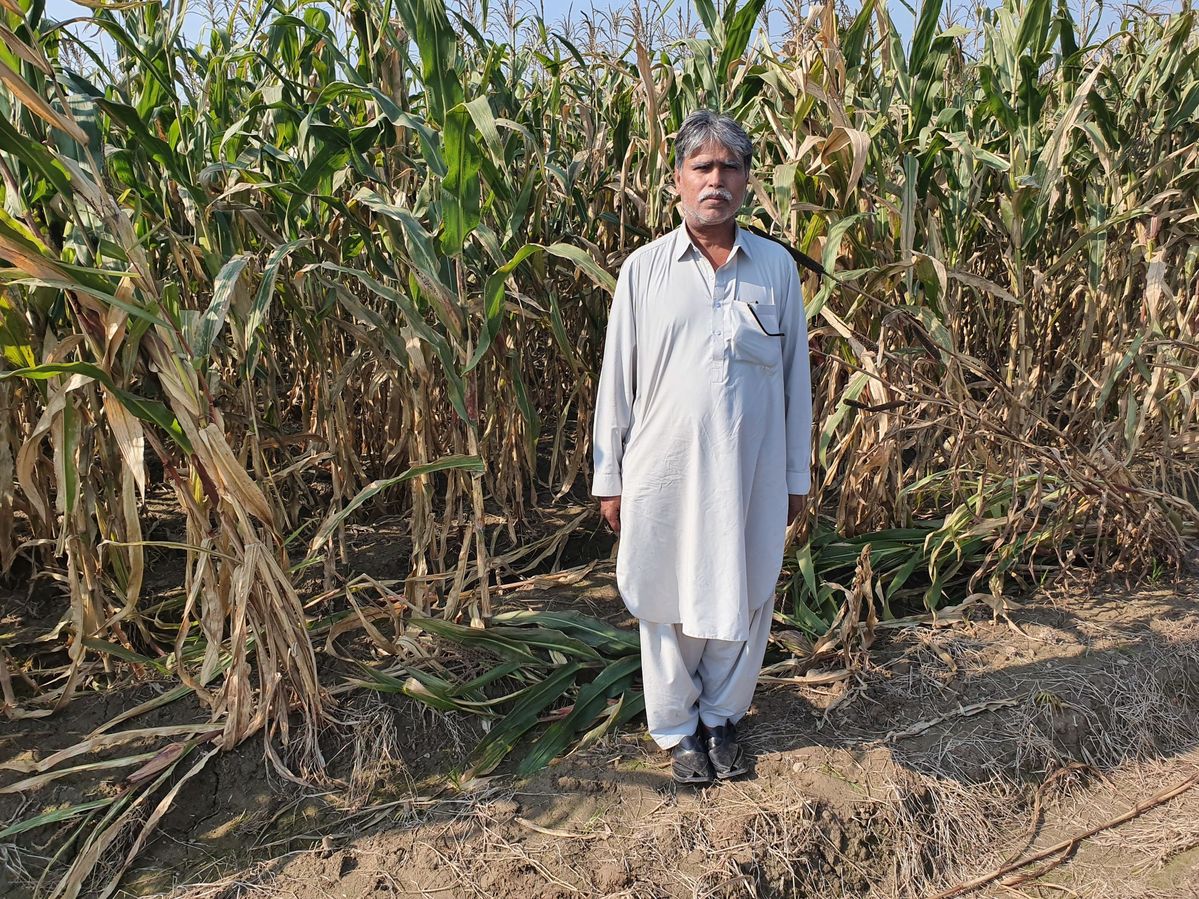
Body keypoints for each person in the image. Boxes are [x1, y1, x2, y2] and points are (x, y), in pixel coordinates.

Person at [591, 110, 813, 784]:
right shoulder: (643, 271)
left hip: (752, 471)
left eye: (729, 167)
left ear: (746, 181)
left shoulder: (774, 269)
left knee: (744, 592)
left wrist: (795, 472)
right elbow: (616, 379)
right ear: (677, 181)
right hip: (663, 472)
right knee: (666, 593)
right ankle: (676, 728)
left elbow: (795, 377)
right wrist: (610, 474)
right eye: (702, 167)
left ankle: (722, 717)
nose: (715, 179)